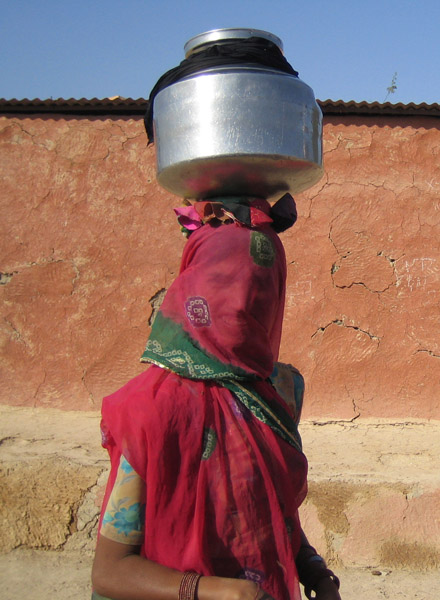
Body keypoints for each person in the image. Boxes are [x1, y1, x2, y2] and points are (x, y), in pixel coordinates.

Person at [91, 196, 341, 600]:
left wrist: (314, 571)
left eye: (262, 288)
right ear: (194, 290)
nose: (244, 304)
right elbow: (110, 571)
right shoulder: (152, 410)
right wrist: (219, 592)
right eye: (227, 286)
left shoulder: (278, 392)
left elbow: (267, 512)